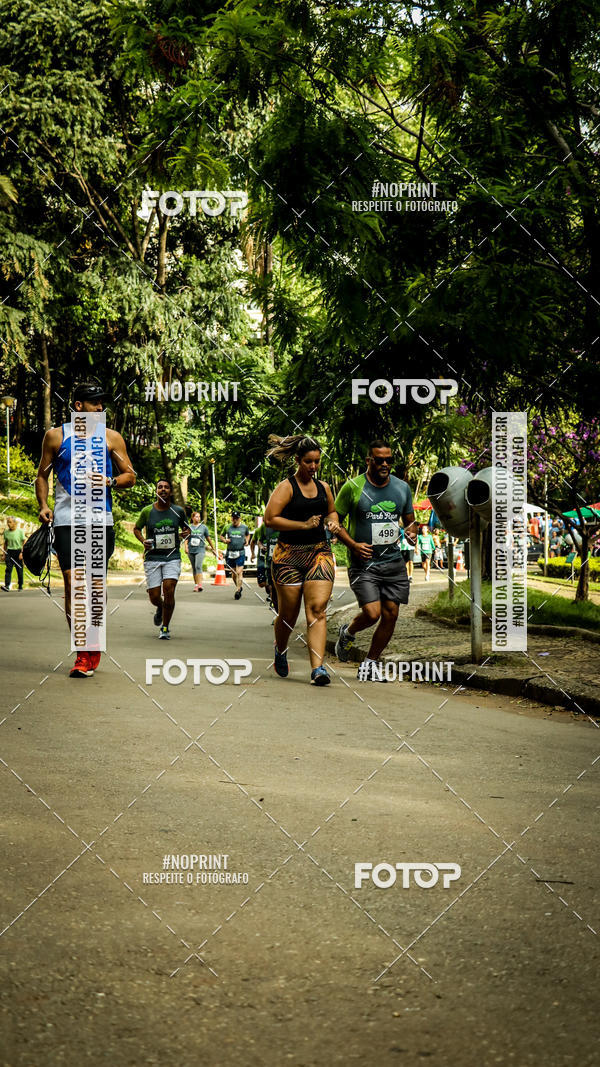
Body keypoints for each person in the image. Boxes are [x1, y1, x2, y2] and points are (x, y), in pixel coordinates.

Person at [35, 380, 136, 677]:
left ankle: (94, 640)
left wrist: (111, 481)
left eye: (102, 403)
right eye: (95, 403)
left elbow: (130, 475)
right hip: (67, 521)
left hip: (100, 521)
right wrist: (43, 505)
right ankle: (83, 652)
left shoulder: (111, 438)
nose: (101, 408)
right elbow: (41, 475)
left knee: (93, 589)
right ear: (79, 406)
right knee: (74, 586)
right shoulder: (55, 436)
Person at [333, 440, 416, 682]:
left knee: (390, 614)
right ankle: (347, 631)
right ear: (368, 460)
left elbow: (410, 520)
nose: (384, 464)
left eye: (388, 460)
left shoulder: (402, 488)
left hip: (393, 562)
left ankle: (370, 664)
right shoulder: (352, 487)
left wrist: (412, 532)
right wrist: (353, 545)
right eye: (379, 460)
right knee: (372, 613)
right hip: (364, 563)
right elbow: (335, 521)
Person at [264, 434, 337, 686]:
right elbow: (270, 519)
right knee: (288, 614)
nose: (313, 467)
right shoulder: (286, 488)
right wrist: (303, 524)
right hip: (288, 556)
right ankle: (280, 649)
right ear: (298, 460)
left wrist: (333, 522)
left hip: (319, 552)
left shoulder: (324, 487)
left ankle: (318, 669)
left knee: (317, 609)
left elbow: (331, 511)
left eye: (317, 462)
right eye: (308, 462)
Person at [134, 479, 190, 639]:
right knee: (154, 595)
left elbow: (187, 529)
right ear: (156, 491)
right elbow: (136, 528)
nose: (163, 489)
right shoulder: (147, 511)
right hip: (152, 557)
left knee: (169, 588)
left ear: (170, 492)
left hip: (172, 557)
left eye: (166, 487)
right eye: (160, 487)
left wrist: (185, 534)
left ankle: (165, 627)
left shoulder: (178, 511)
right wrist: (143, 540)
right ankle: (160, 607)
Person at [220, 511, 251, 600]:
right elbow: (221, 536)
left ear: (239, 518)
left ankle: (238, 591)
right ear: (231, 518)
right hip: (230, 552)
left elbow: (248, 535)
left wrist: (247, 541)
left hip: (240, 552)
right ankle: (239, 587)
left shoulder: (244, 527)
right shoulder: (227, 527)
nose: (235, 520)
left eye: (236, 518)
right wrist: (225, 540)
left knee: (239, 572)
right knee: (233, 573)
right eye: (233, 518)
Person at [185, 510, 217, 591]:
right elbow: (186, 538)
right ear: (192, 518)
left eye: (199, 517)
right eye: (196, 516)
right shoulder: (189, 527)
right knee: (194, 568)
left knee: (198, 566)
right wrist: (186, 547)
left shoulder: (203, 527)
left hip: (200, 549)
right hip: (191, 549)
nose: (198, 518)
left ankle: (200, 585)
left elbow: (208, 538)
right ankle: (196, 585)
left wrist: (213, 548)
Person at [254, 520, 279, 615]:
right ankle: (276, 610)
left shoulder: (286, 524)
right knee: (271, 587)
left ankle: (281, 612)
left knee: (280, 587)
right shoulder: (265, 526)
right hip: (269, 561)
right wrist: (261, 547)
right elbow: (259, 541)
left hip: (282, 562)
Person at [1, 517, 25, 591]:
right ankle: (7, 586)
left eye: (10, 522)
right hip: (9, 552)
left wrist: (22, 553)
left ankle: (20, 585)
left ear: (14, 523)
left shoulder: (20, 531)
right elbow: (6, 543)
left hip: (18, 552)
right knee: (8, 569)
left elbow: (24, 542)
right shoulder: (6, 532)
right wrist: (4, 554)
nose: (8, 524)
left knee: (19, 570)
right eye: (8, 522)